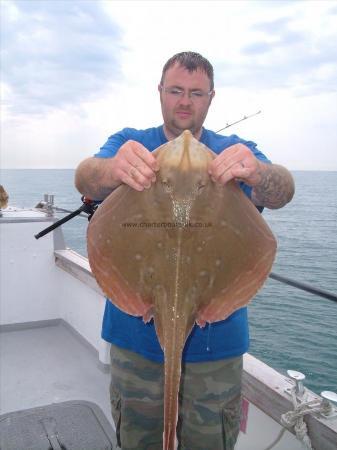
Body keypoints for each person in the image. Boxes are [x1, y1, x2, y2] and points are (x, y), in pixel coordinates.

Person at [75, 51, 294, 450]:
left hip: (217, 345)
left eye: (196, 92)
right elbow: (85, 176)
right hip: (134, 339)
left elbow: (283, 190)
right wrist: (112, 170)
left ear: (212, 97)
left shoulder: (235, 148)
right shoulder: (130, 143)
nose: (184, 101)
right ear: (160, 92)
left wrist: (257, 171)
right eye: (176, 90)